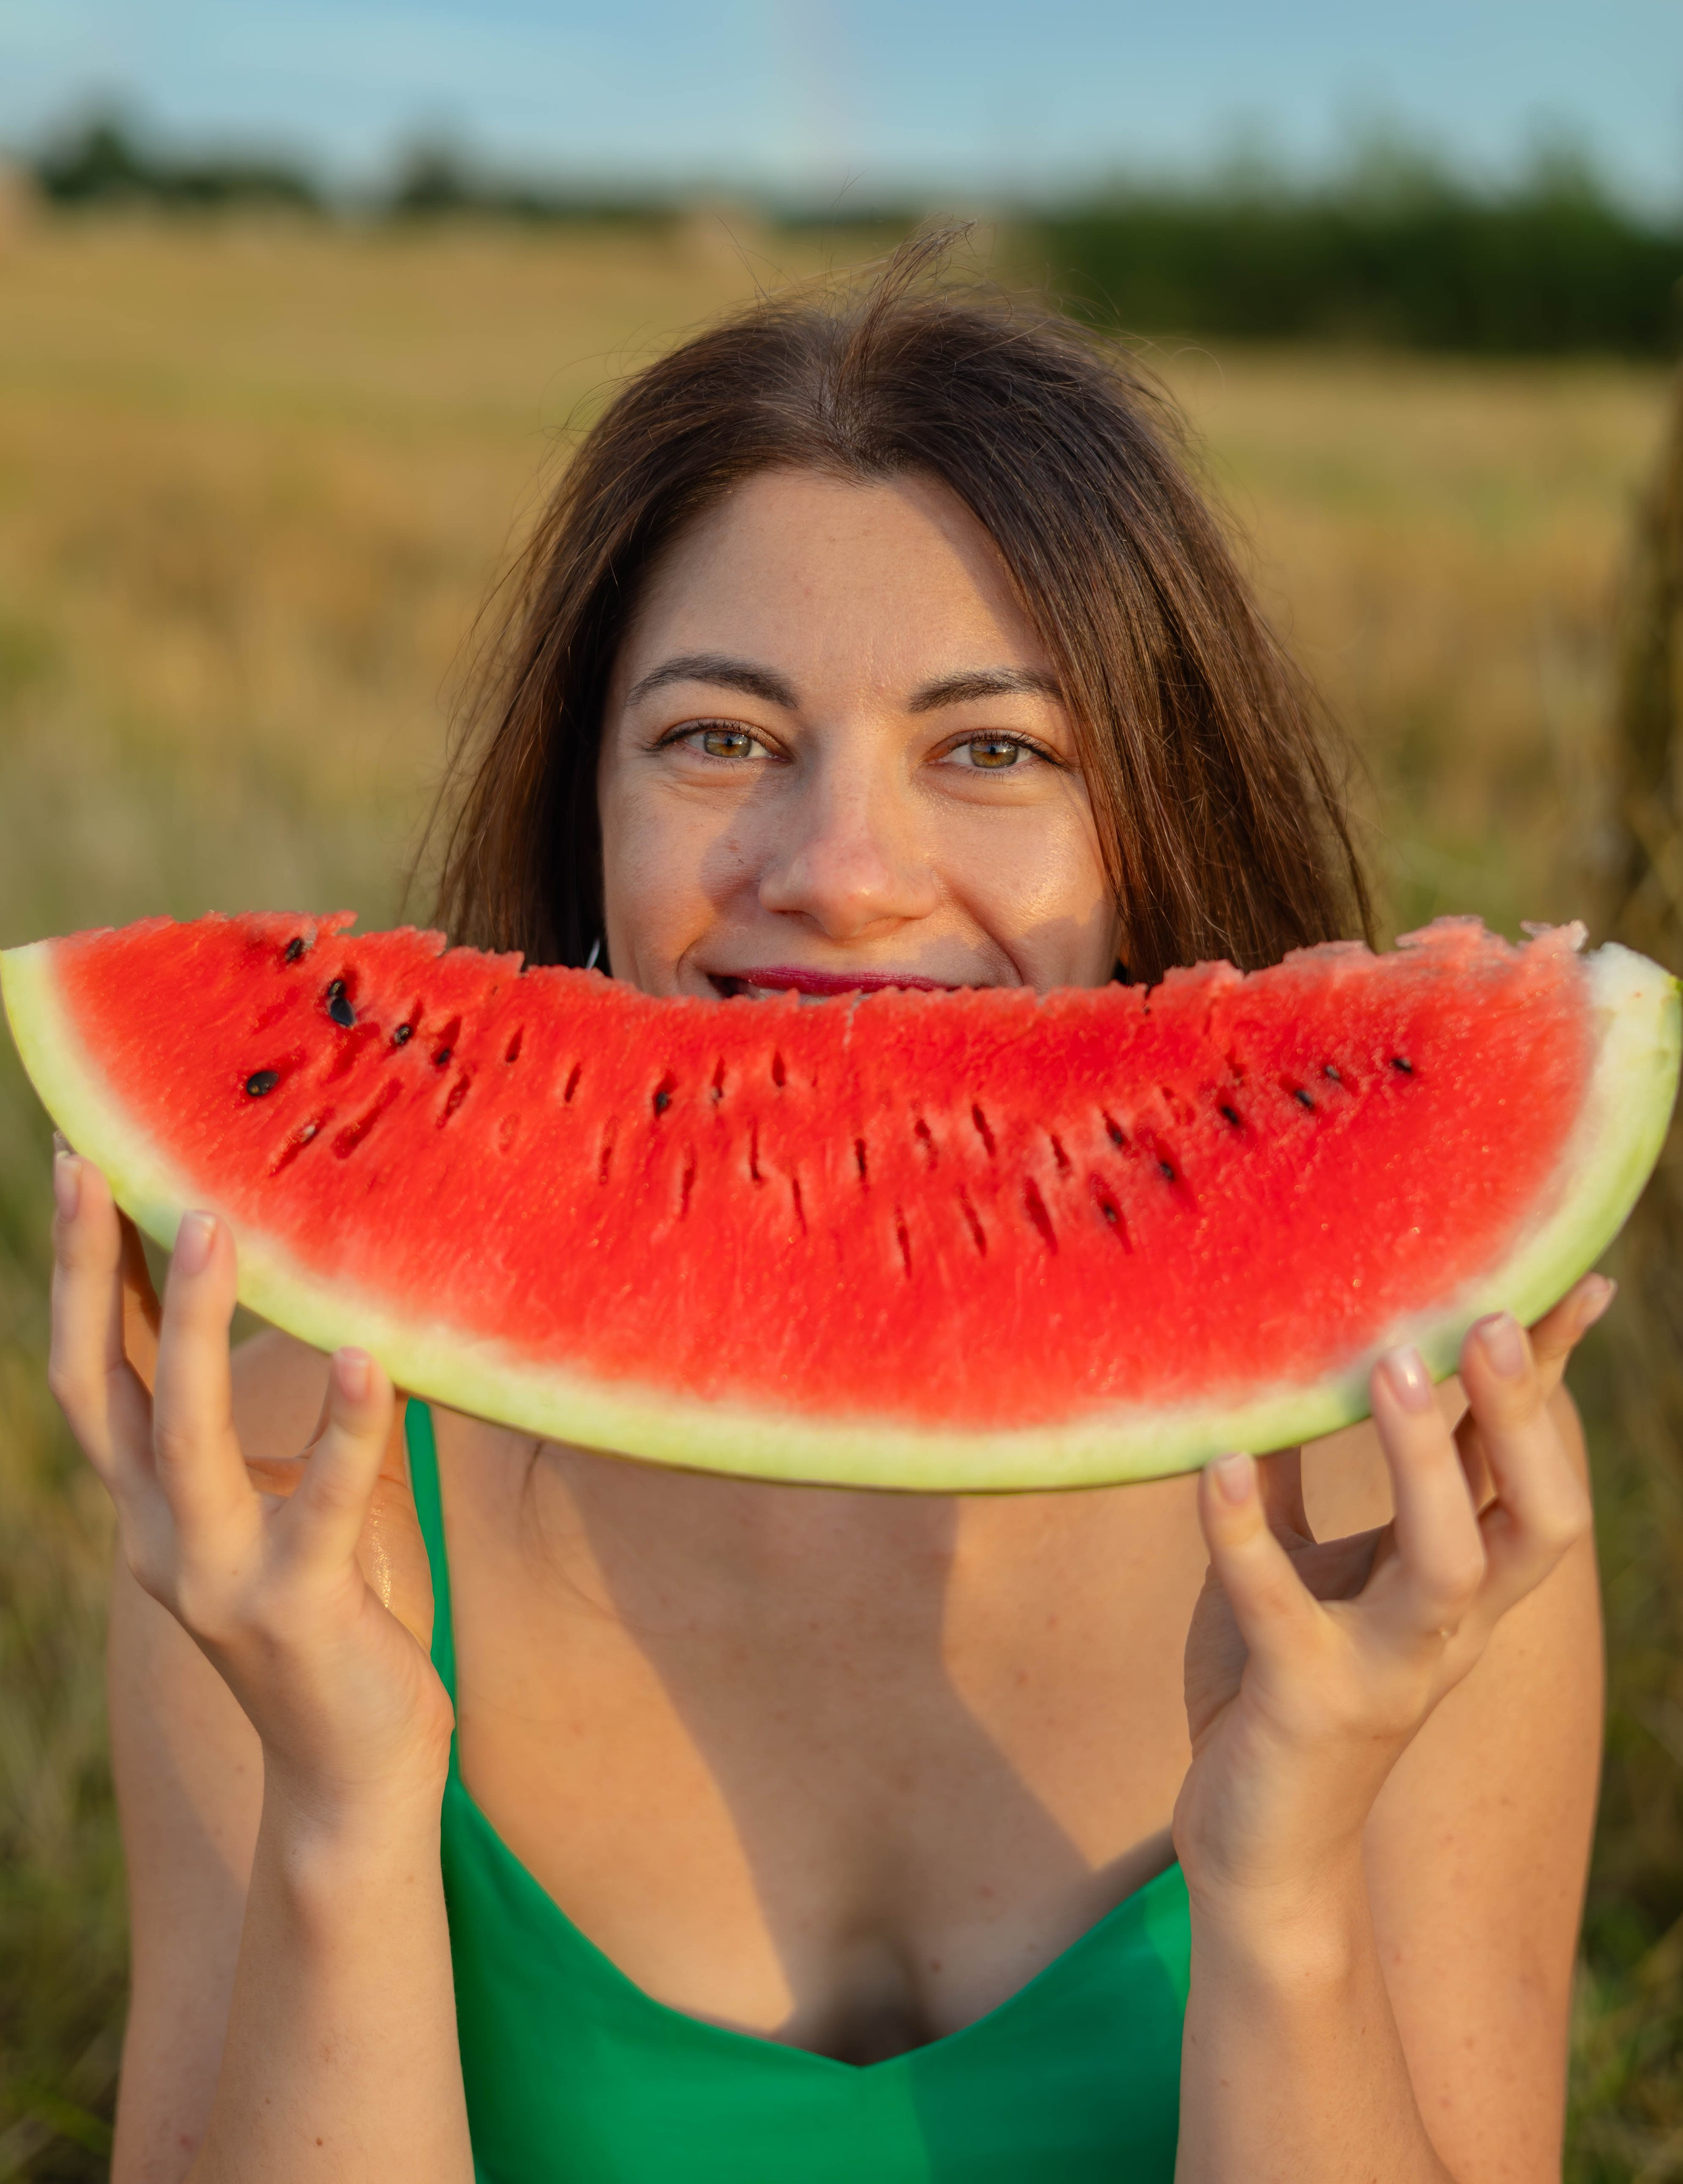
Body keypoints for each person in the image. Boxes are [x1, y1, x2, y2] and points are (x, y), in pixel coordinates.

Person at [49, 245, 1604, 2184]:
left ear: (1154, 827)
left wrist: (1284, 1890)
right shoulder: (295, 1481)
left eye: (995, 750)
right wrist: (347, 1812)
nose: (846, 874)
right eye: (720, 738)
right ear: (586, 813)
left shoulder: (1412, 1507)